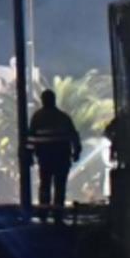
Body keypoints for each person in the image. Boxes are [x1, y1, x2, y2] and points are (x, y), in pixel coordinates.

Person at [27, 88, 82, 222]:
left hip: (45, 158)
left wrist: (29, 156)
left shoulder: (37, 118)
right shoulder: (63, 117)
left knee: (45, 185)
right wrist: (76, 152)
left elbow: (30, 139)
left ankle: (44, 214)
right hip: (62, 158)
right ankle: (58, 215)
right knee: (60, 186)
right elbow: (74, 136)